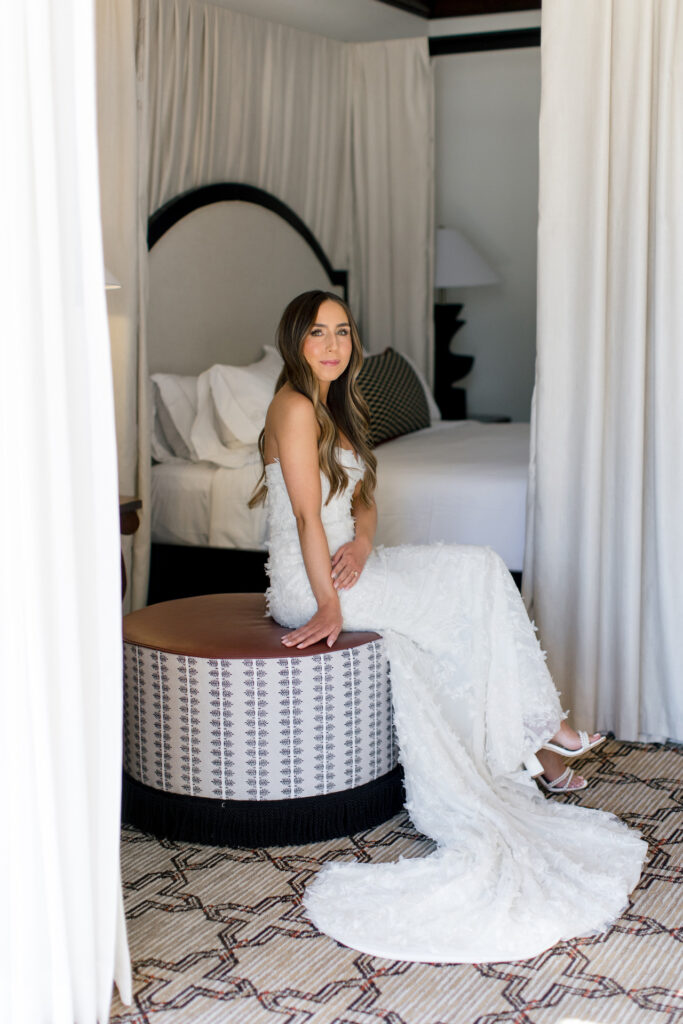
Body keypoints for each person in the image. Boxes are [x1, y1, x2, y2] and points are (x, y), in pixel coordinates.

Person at [250, 289, 646, 964]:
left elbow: (362, 500)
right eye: (318, 333)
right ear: (295, 341)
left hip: (349, 565)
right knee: (461, 608)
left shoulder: (339, 404)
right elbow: (309, 519)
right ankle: (541, 740)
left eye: (342, 332)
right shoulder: (291, 406)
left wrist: (365, 546)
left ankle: (537, 740)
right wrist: (327, 606)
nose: (332, 345)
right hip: (308, 580)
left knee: (480, 571)